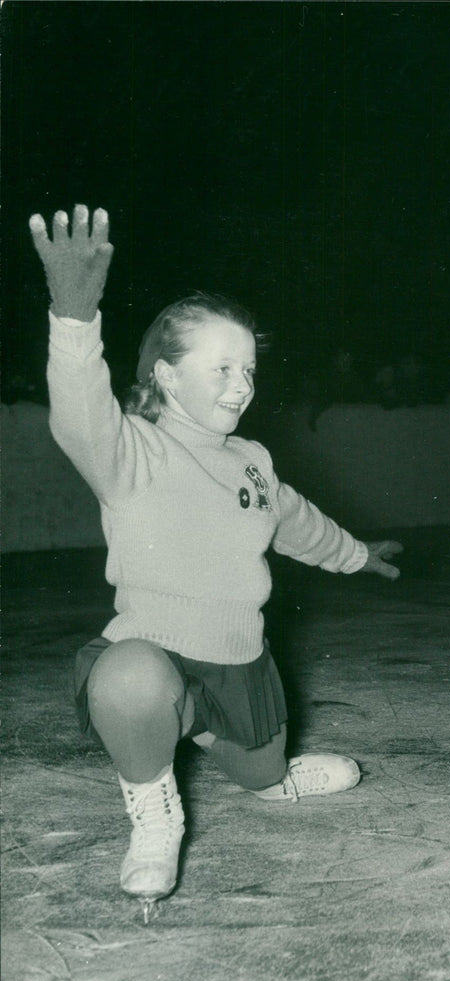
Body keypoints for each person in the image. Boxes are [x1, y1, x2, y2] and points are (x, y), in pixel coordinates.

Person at [28, 204, 403, 918]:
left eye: (249, 368)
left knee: (260, 772)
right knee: (129, 676)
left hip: (240, 665)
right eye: (222, 367)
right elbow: (78, 412)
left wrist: (357, 555)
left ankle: (270, 777)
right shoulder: (133, 450)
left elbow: (294, 519)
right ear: (167, 377)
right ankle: (154, 812)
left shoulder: (252, 460)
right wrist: (73, 316)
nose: (242, 384)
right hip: (157, 652)